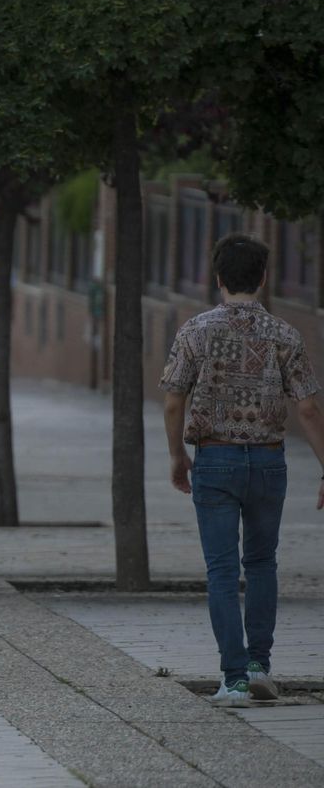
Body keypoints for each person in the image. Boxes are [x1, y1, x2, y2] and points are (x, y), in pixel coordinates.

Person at [160, 234, 324, 708]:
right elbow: (309, 408)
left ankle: (232, 678)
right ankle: (259, 664)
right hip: (270, 462)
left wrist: (177, 456)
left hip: (214, 459)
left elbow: (174, 400)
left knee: (221, 570)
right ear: (264, 279)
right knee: (262, 563)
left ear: (217, 278)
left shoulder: (195, 331)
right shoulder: (286, 335)